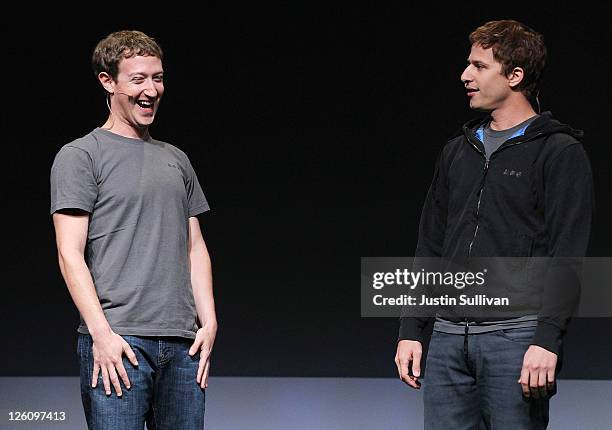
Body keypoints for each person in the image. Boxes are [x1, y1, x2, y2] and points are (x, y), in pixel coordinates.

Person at [394, 20, 593, 429]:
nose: (464, 76)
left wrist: (547, 339)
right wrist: (412, 328)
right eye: (468, 65)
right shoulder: (457, 151)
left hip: (515, 341)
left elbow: (567, 256)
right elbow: (430, 246)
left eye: (479, 66)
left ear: (515, 75)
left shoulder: (559, 152)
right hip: (449, 341)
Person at [50, 30, 217, 429]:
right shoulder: (80, 155)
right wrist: (101, 335)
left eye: (157, 78)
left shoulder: (177, 159)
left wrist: (209, 321)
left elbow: (194, 246)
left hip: (182, 344)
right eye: (138, 78)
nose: (151, 89)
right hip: (119, 341)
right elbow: (69, 253)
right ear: (108, 82)